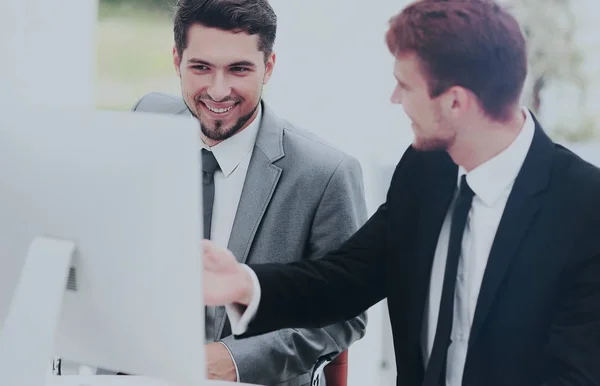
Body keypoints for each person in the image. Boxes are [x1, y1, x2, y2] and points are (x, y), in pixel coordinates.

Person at [201, 0, 600, 385]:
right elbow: (345, 280)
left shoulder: (585, 209)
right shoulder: (425, 169)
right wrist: (242, 283)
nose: (396, 100)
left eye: (405, 86)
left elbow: (577, 375)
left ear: (455, 102)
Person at [132, 0, 368, 385]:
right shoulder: (147, 117)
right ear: (177, 60)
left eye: (239, 69)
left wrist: (235, 360)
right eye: (201, 67)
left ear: (268, 67)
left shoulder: (327, 173)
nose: (219, 91)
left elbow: (345, 313)